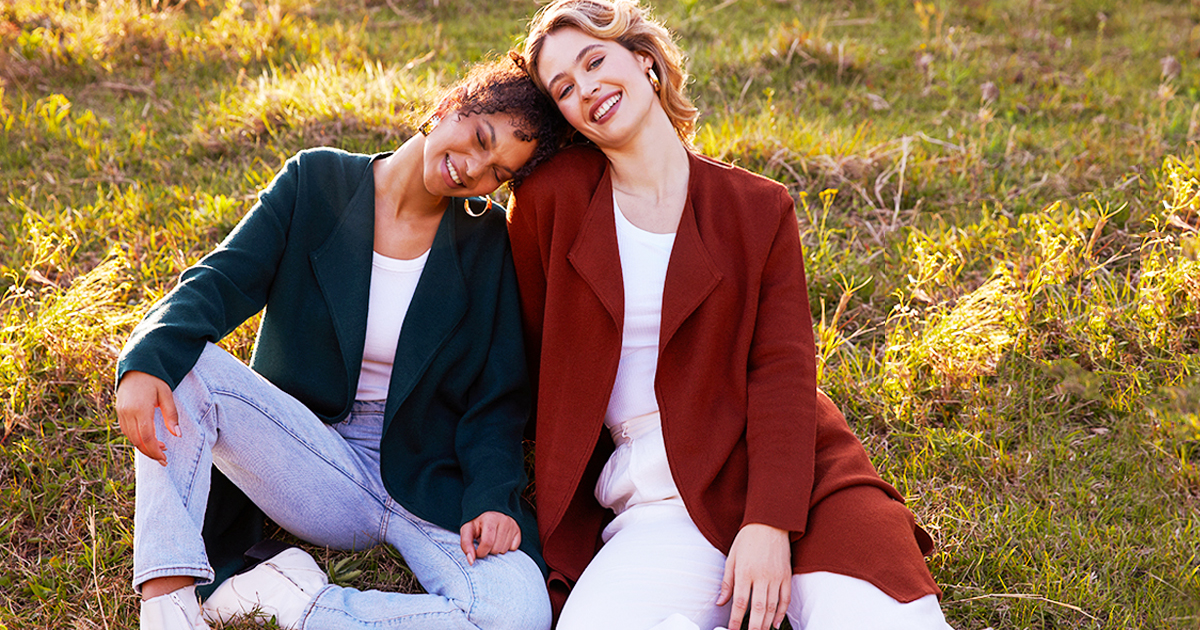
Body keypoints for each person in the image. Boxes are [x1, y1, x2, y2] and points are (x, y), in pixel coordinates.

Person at [506, 2, 954, 629]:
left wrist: (769, 522)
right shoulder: (552, 202)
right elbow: (516, 354)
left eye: (595, 61)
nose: (587, 89)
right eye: (564, 89)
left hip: (794, 476)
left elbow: (782, 371)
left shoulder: (756, 208)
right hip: (657, 497)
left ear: (642, 59)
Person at [115, 58, 567, 630]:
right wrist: (145, 359)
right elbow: (220, 281)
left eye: (496, 172)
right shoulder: (315, 183)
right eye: (479, 139)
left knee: (517, 611)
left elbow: (496, 396)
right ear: (452, 106)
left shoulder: (486, 245)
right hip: (313, 458)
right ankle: (169, 608)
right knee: (182, 365)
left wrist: (492, 498)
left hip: (427, 482)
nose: (472, 168)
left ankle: (293, 605)